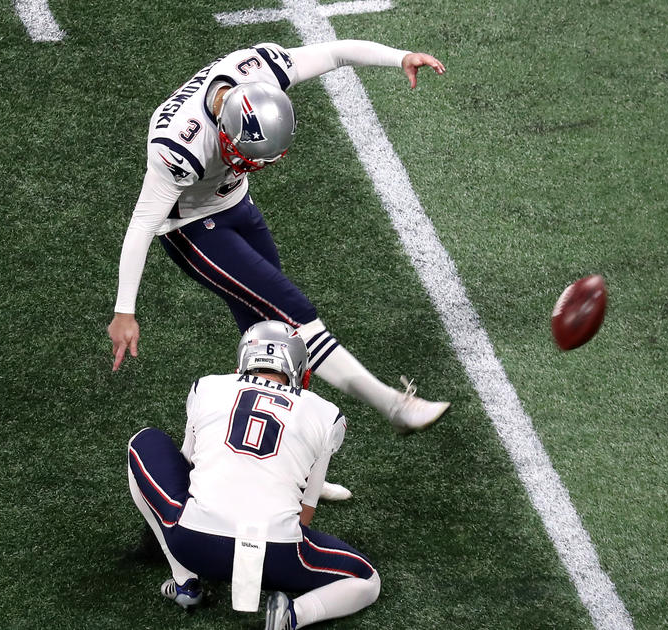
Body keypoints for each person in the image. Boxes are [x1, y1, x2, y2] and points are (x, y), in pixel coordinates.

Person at [108, 39, 450, 435]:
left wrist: (400, 58)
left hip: (236, 206)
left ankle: (285, 460)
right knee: (293, 316)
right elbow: (141, 226)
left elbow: (335, 53)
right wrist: (124, 311)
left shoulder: (258, 72)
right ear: (223, 132)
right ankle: (394, 406)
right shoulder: (179, 147)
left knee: (270, 343)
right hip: (192, 229)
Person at [126, 321, 379, 629]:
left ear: (243, 364)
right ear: (301, 372)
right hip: (276, 554)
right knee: (366, 579)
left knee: (143, 442)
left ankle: (184, 582)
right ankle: (293, 614)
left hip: (194, 542)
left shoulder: (208, 386)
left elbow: (186, 470)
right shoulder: (326, 414)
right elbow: (306, 513)